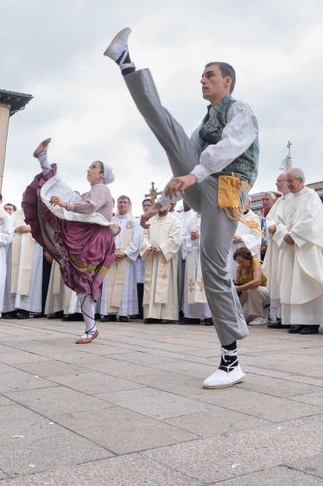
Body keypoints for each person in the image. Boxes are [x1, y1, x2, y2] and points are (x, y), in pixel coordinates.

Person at [107, 28, 258, 388]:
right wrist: (159, 206)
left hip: (226, 190)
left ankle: (231, 360)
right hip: (202, 186)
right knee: (166, 128)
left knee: (213, 266)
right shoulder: (205, 123)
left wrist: (194, 175)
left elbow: (228, 148)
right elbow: (182, 166)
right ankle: (126, 63)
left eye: (209, 75)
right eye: (201, 76)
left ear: (227, 80)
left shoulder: (240, 110)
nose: (202, 81)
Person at [22, 139, 117, 343]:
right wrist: (65, 202)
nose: (88, 169)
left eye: (93, 167)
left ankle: (91, 329)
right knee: (83, 283)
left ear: (102, 174)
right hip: (88, 237)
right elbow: (72, 197)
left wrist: (67, 205)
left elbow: (89, 207)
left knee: (84, 282)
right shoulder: (90, 191)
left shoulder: (102, 189)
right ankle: (43, 159)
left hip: (94, 239)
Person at [270, 168, 323, 335]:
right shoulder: (288, 199)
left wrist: (293, 235)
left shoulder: (311, 196)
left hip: (308, 247)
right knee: (293, 284)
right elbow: (278, 221)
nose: (288, 184)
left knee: (308, 281)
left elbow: (312, 221)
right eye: (287, 181)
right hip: (291, 248)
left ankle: (313, 321)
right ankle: (299, 320)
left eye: (291, 181)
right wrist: (283, 234)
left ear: (301, 180)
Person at [100, 195, 141, 322]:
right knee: (109, 284)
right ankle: (109, 313)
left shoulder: (134, 222)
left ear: (129, 204)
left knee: (124, 285)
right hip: (111, 256)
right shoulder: (110, 221)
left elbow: (137, 240)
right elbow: (105, 238)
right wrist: (111, 252)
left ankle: (124, 313)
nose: (122, 204)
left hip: (126, 258)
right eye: (120, 202)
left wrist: (126, 253)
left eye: (124, 202)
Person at [140, 201, 182, 323]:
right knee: (151, 286)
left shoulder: (175, 221)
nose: (163, 207)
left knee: (166, 286)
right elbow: (144, 236)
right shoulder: (151, 220)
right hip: (152, 257)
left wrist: (161, 248)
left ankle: (166, 316)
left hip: (165, 258)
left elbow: (175, 239)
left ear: (170, 206)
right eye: (160, 205)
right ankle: (151, 315)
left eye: (165, 204)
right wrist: (148, 246)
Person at [7, 202, 44, 319]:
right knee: (14, 276)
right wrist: (15, 228)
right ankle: (12, 308)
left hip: (33, 249)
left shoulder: (39, 213)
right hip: (16, 249)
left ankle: (25, 309)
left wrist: (31, 228)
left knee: (31, 277)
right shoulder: (15, 215)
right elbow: (7, 228)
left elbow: (45, 227)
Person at [264, 174, 291, 329]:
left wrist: (279, 229)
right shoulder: (280, 201)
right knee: (278, 280)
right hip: (277, 245)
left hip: (288, 245)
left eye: (278, 182)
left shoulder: (297, 199)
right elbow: (270, 219)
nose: (276, 184)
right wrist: (271, 226)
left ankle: (289, 317)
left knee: (287, 280)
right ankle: (280, 315)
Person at [233, 246, 268, 325]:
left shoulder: (256, 263)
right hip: (250, 298)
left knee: (255, 289)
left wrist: (239, 288)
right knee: (240, 319)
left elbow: (257, 282)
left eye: (241, 262)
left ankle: (259, 316)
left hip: (264, 293)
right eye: (238, 262)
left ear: (248, 258)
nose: (240, 264)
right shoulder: (240, 268)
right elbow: (238, 286)